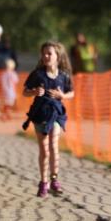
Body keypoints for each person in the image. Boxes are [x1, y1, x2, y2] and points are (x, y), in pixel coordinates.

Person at [22, 41, 75, 197]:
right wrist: (34, 92)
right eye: (44, 53)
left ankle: (54, 179)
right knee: (44, 150)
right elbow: (25, 91)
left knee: (53, 145)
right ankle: (43, 182)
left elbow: (72, 92)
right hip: (40, 114)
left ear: (57, 56)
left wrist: (63, 96)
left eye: (49, 53)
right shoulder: (37, 74)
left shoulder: (64, 76)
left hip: (57, 114)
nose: (46, 56)